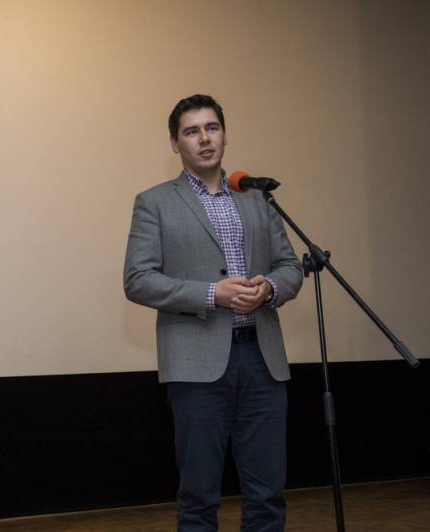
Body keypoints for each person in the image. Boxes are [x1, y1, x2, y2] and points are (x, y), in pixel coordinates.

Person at [123, 95, 303, 531]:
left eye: (212, 128)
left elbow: (290, 266)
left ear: (224, 135)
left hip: (262, 360)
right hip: (196, 367)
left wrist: (268, 288)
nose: (204, 138)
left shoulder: (257, 197)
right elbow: (138, 279)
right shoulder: (154, 202)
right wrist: (211, 294)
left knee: (268, 495)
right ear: (175, 143)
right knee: (199, 498)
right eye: (192, 131)